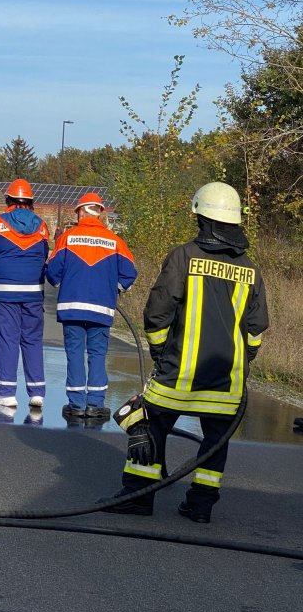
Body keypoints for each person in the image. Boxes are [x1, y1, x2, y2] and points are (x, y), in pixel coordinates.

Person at [107, 182, 269, 523]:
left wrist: (160, 350)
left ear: (202, 219)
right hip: (227, 382)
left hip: (177, 375)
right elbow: (255, 328)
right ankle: (200, 506)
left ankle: (139, 496)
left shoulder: (185, 256)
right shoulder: (250, 269)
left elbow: (157, 311)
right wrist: (243, 362)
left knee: (149, 424)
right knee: (215, 441)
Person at [46, 192, 137, 420]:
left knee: (75, 353)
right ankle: (95, 405)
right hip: (101, 307)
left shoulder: (68, 238)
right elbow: (129, 273)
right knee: (97, 353)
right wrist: (113, 288)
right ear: (100, 213)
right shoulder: (115, 241)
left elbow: (53, 271)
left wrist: (62, 284)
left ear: (80, 211)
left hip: (72, 306)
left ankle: (76, 405)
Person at [0, 178, 50, 409]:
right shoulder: (41, 226)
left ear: (8, 199)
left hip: (4, 292)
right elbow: (45, 251)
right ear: (30, 201)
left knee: (7, 339)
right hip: (33, 292)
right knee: (32, 340)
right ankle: (37, 392)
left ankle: (6, 393)